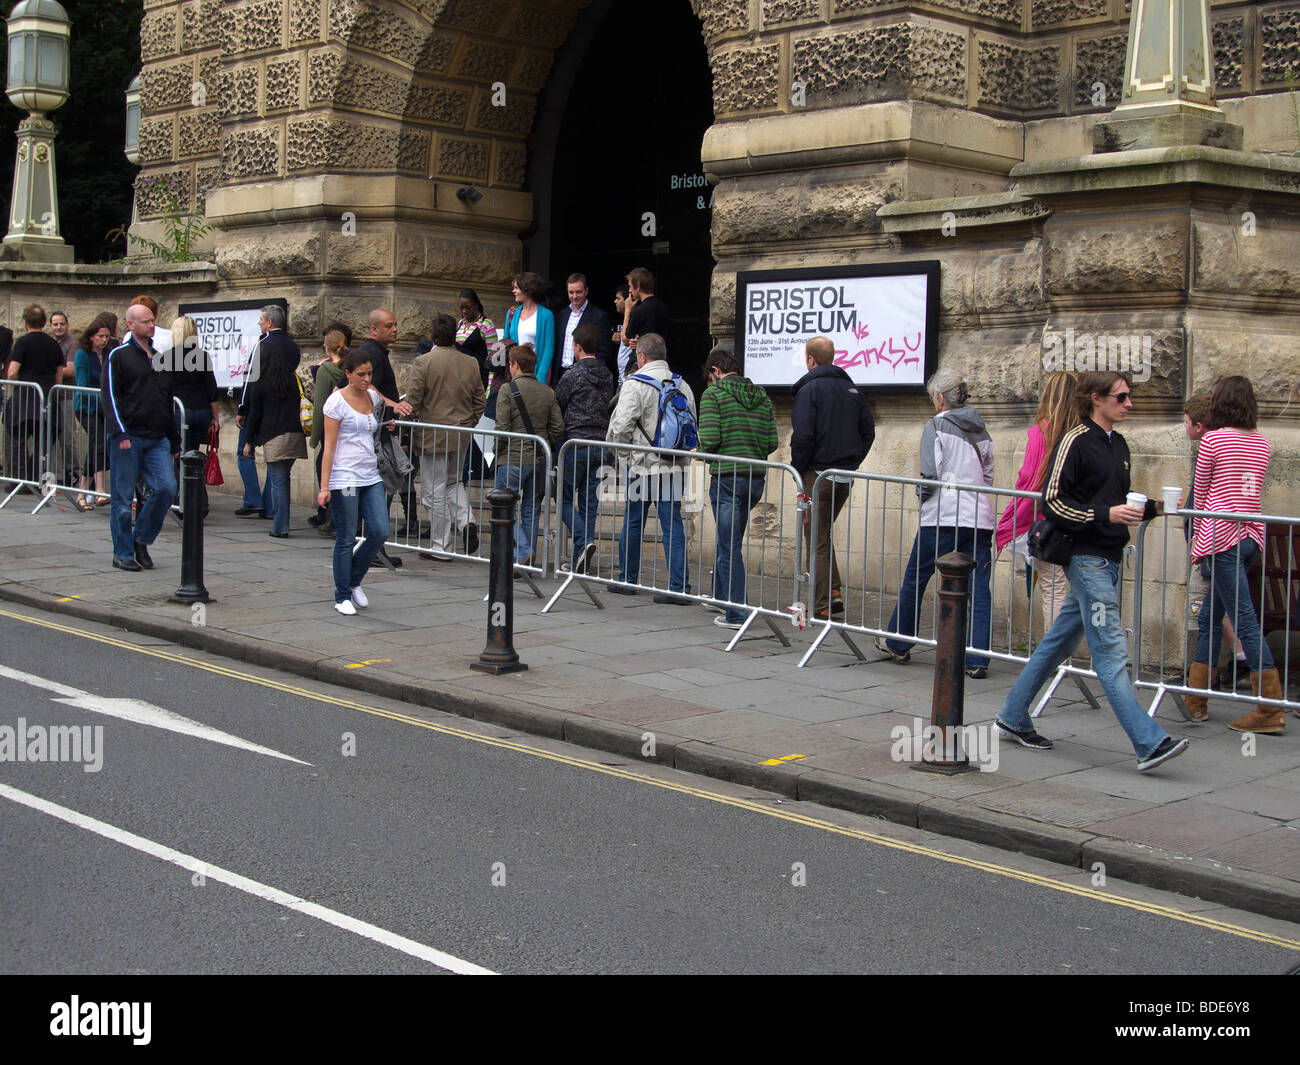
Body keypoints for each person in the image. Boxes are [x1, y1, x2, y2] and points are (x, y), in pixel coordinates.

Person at [994, 370, 1190, 772]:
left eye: (1128, 396)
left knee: (1056, 644)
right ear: (1096, 399)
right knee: (1111, 653)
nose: (1129, 403)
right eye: (1121, 397)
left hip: (1109, 558)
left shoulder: (1118, 444)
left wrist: (1154, 507)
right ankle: (1148, 743)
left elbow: (1117, 500)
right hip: (1086, 561)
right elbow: (1052, 502)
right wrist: (1106, 513)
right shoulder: (1075, 441)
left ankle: (1012, 716)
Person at [878, 370, 995, 676]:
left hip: (942, 515)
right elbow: (989, 475)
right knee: (979, 587)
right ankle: (977, 658)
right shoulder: (982, 429)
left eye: (933, 397)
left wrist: (921, 495)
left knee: (917, 577)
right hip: (979, 516)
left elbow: (931, 473)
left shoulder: (936, 425)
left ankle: (899, 642)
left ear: (941, 398)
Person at [1184, 376, 1280, 733]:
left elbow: (1204, 491)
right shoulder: (1262, 443)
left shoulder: (1213, 439)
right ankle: (1196, 698)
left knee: (1245, 622)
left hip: (1220, 537)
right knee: (1211, 617)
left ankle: (1270, 710)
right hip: (1250, 535)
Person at [789, 335, 875, 620]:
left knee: (815, 538)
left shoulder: (809, 390)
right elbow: (868, 432)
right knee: (821, 531)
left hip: (818, 474)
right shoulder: (852, 390)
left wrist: (798, 468)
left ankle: (822, 602)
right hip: (844, 475)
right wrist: (852, 461)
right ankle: (833, 591)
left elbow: (803, 436)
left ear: (810, 359)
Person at [606, 332, 695, 602]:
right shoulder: (683, 385)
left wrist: (622, 457)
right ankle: (678, 586)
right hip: (673, 465)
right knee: (672, 525)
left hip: (641, 465)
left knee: (633, 522)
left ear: (641, 356)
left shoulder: (635, 383)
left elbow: (621, 426)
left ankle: (628, 579)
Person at [697, 347, 778, 630]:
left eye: (711, 376)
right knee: (728, 541)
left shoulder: (714, 395)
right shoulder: (761, 395)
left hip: (727, 478)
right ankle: (721, 596)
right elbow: (771, 443)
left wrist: (701, 449)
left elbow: (711, 436)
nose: (710, 381)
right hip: (755, 479)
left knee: (728, 546)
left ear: (716, 371)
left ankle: (736, 613)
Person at [317, 350, 401, 615]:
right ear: (348, 375)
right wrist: (324, 486)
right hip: (345, 475)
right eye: (361, 374)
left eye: (370, 374)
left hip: (370, 473)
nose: (367, 379)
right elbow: (328, 447)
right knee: (346, 535)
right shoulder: (335, 402)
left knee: (379, 530)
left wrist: (387, 423)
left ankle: (353, 581)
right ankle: (342, 595)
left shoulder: (373, 396)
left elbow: (373, 426)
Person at [995, 371, 1078, 634]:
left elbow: (1028, 478)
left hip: (1048, 524)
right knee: (1064, 587)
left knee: (1053, 587)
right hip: (1078, 521)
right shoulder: (1082, 434)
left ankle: (1054, 655)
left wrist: (1011, 518)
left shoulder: (1039, 432)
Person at [102, 303, 179, 572]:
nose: (151, 325)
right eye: (145, 321)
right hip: (129, 436)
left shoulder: (159, 357)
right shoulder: (118, 355)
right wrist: (119, 431)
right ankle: (122, 553)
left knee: (167, 488)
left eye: (152, 320)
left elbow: (166, 399)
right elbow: (110, 396)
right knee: (122, 499)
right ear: (130, 325)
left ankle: (141, 539)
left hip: (157, 437)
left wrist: (174, 439)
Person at [405, 312, 485, 558]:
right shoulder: (470, 362)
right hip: (460, 433)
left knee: (434, 491)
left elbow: (413, 401)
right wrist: (467, 424)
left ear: (433, 336)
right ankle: (466, 521)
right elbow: (479, 401)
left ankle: (440, 545)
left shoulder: (423, 362)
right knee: (453, 482)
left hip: (433, 433)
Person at [1181, 393, 1247, 691]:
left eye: (1185, 420)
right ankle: (1202, 682)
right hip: (1217, 543)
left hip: (1212, 545)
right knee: (1209, 612)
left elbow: (1208, 500)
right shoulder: (1224, 446)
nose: (1184, 425)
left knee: (1206, 610)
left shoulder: (1212, 446)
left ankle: (1244, 660)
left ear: (1199, 424)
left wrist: (1199, 546)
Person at [494, 343, 564, 567]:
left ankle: (523, 550)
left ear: (515, 365)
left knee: (504, 508)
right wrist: (544, 444)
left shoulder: (507, 389)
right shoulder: (548, 391)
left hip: (512, 459)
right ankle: (526, 558)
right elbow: (557, 427)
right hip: (538, 459)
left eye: (510, 364)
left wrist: (498, 451)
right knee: (531, 510)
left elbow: (502, 427)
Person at [554, 322, 615, 573]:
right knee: (590, 503)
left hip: (575, 443)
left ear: (577, 346)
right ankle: (581, 558)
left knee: (564, 499)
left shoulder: (573, 375)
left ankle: (583, 541)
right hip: (600, 444)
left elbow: (558, 403)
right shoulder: (608, 375)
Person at [235, 304, 300, 520]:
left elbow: (250, 380)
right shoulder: (292, 346)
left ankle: (253, 499)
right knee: (279, 466)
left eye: (261, 320)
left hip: (260, 406)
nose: (259, 323)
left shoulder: (263, 344)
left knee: (245, 451)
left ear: (270, 322)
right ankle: (271, 507)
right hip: (285, 409)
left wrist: (242, 408)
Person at [242, 334, 307, 539]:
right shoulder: (292, 379)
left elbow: (254, 415)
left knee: (278, 481)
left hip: (274, 436)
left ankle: (280, 526)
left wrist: (248, 442)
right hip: (295, 435)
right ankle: (282, 522)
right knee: (284, 479)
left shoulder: (260, 383)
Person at [166, 315, 221, 519]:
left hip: (181, 413)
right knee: (194, 457)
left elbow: (164, 390)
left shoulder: (168, 357)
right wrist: (215, 419)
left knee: (183, 460)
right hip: (202, 413)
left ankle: (191, 503)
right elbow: (212, 390)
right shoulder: (202, 356)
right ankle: (197, 502)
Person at [5, 304, 65, 488]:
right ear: (44, 322)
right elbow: (59, 377)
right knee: (43, 443)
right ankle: (33, 477)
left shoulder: (23, 342)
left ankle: (18, 479)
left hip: (25, 397)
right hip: (47, 397)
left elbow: (12, 372)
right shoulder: (54, 344)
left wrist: (15, 385)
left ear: (25, 321)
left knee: (18, 438)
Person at [72, 315, 115, 509]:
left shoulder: (108, 353)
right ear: (91, 336)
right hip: (86, 407)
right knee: (98, 442)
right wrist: (104, 398)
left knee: (98, 445)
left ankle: (81, 493)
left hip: (103, 406)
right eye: (100, 336)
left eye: (106, 336)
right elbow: (82, 385)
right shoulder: (82, 354)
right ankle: (98, 490)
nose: (104, 340)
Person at [310, 328, 348, 536]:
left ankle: (332, 520)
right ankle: (332, 519)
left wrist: (315, 436)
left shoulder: (325, 371)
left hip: (330, 428)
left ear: (327, 346)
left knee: (325, 472)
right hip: (346, 428)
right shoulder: (347, 367)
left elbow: (320, 405)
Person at [553, 273, 614, 385]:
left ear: (586, 291)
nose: (574, 296)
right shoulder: (562, 315)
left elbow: (604, 353)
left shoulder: (599, 317)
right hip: (561, 374)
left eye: (578, 292)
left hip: (586, 378)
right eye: (571, 292)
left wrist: (590, 376)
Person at [502, 272, 556, 387]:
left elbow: (549, 348)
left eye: (516, 288)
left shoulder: (547, 315)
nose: (513, 291)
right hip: (514, 373)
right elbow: (505, 342)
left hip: (535, 374)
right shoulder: (511, 313)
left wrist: (541, 376)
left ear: (527, 289)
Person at [623, 267, 671, 362]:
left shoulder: (638, 311)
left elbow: (625, 339)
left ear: (638, 286)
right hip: (661, 358)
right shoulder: (664, 308)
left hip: (642, 360)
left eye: (630, 286)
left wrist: (627, 310)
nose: (629, 290)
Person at [456, 288, 498, 388]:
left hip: (479, 379)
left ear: (476, 305)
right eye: (461, 308)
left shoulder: (486, 324)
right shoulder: (460, 323)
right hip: (461, 378)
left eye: (468, 308)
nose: (464, 311)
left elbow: (494, 357)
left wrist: (491, 386)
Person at [611, 282, 635, 381]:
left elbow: (627, 338)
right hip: (622, 376)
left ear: (628, 299)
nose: (615, 301)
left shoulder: (635, 318)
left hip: (630, 377)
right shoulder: (623, 318)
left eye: (618, 298)